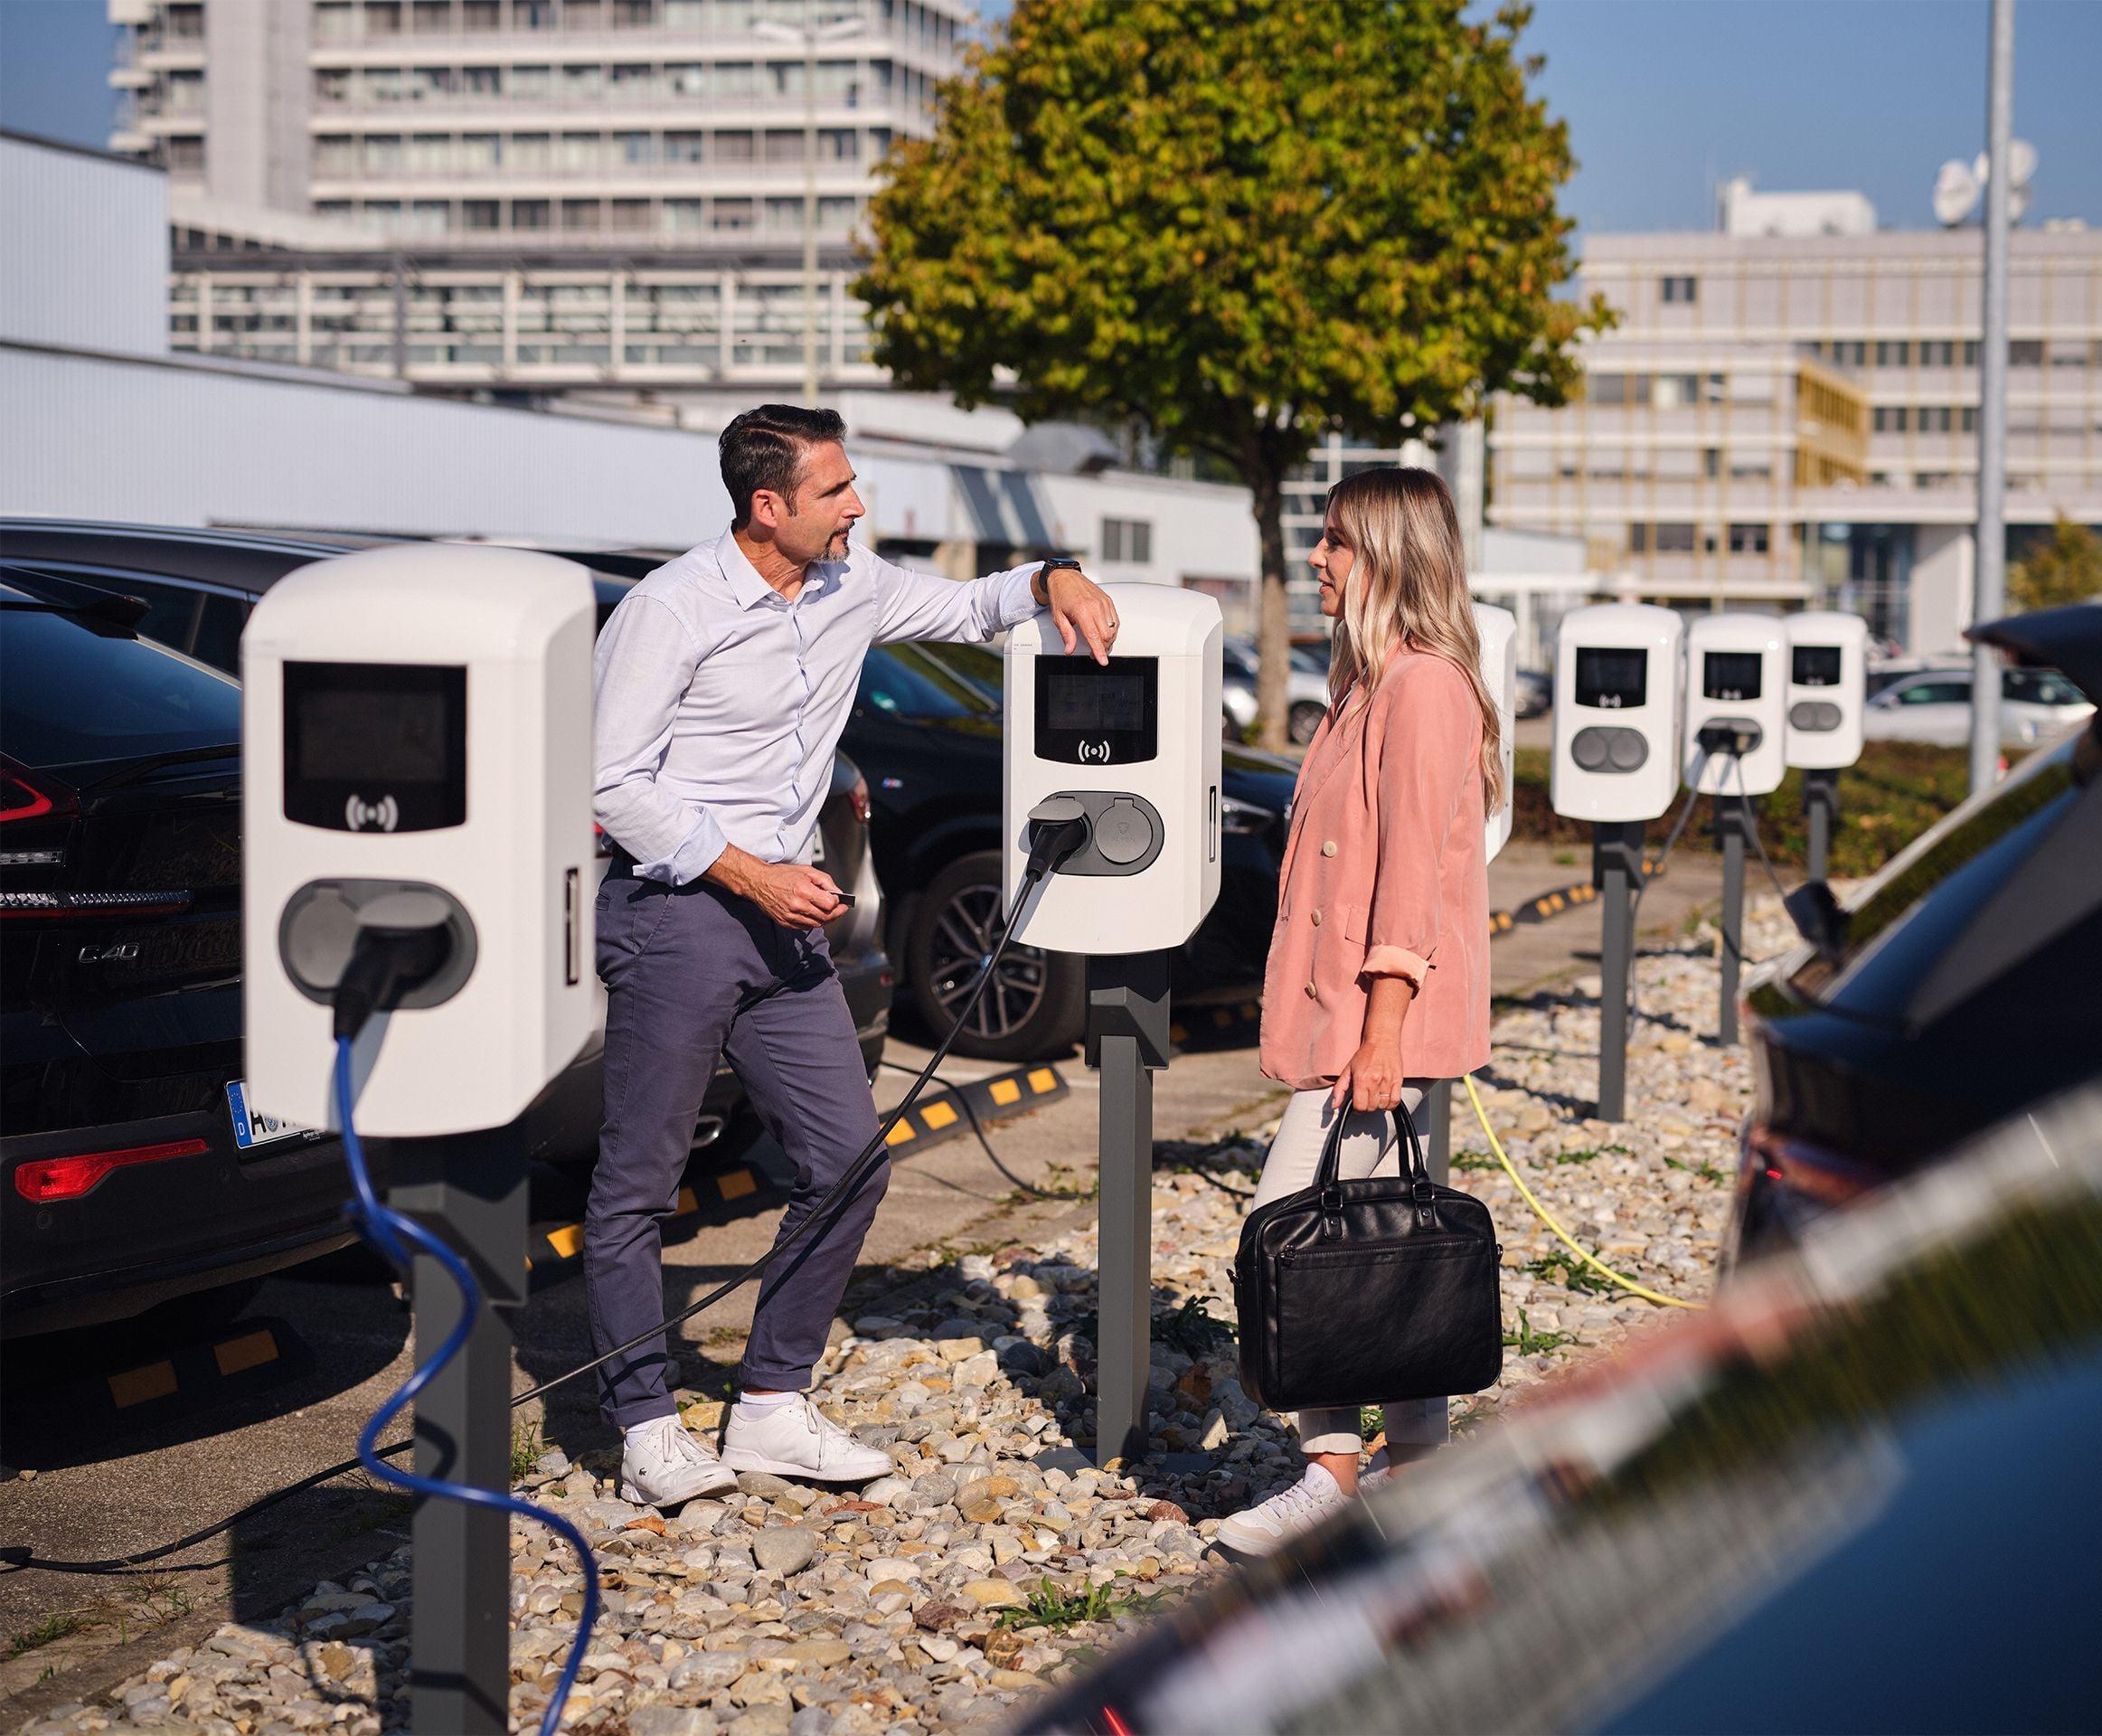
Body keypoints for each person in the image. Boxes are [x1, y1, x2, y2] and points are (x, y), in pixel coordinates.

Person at [589, 404, 1117, 1505]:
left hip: (784, 925)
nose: (858, 506)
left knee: (848, 1159)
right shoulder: (669, 608)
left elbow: (976, 606)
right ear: (767, 505)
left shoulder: (850, 584)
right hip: (679, 910)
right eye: (836, 491)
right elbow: (614, 784)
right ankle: (642, 1426)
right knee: (640, 1184)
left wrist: (1057, 578)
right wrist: (748, 871)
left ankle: (771, 1408)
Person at [1215, 466, 1501, 1558]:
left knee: (1298, 1234)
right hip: (1356, 1021)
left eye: (1335, 543)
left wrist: (1382, 1030)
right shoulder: (1362, 687)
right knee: (1387, 1241)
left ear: (1387, 555)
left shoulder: (1422, 687)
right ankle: (1411, 1470)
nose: (1319, 562)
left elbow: (1411, 884)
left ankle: (1334, 1472)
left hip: (1378, 1028)